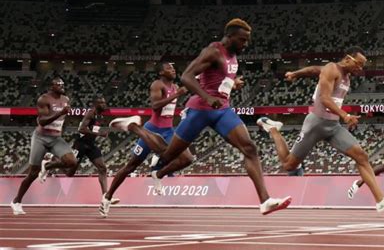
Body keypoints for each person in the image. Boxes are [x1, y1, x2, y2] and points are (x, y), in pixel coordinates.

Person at [107, 18, 291, 216]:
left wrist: (232, 83)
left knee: (250, 148)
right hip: (200, 110)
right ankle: (134, 127)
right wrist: (206, 96)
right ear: (229, 37)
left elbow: (219, 79)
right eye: (242, 40)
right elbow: (186, 76)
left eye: (247, 40)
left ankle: (265, 201)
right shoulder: (213, 51)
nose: (246, 44)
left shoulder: (233, 56)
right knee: (167, 153)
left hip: (222, 111)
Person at [257, 47, 384, 211]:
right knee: (289, 165)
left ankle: (380, 200)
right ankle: (273, 129)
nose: (360, 69)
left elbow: (313, 69)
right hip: (316, 124)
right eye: (359, 64)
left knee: (361, 156)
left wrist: (296, 73)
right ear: (348, 59)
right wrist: (345, 116)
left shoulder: (344, 75)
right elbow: (325, 99)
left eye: (362, 66)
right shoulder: (331, 68)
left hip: (333, 126)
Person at [100, 62, 192, 217]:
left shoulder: (175, 87)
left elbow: (169, 109)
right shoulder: (157, 84)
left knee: (187, 159)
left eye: (174, 67)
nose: (173, 69)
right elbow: (155, 106)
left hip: (168, 130)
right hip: (152, 129)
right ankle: (107, 197)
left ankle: (158, 174)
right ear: (161, 72)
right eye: (169, 68)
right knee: (131, 166)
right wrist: (177, 95)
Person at [11, 78, 77, 215]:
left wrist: (61, 131)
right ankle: (16, 201)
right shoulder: (44, 99)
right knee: (32, 174)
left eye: (63, 84)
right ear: (51, 87)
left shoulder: (66, 99)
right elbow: (42, 121)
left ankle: (47, 166)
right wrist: (60, 113)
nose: (61, 86)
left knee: (72, 161)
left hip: (56, 138)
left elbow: (63, 120)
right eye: (58, 84)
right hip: (41, 138)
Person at [66, 96, 119, 204]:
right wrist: (99, 134)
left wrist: (97, 134)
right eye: (102, 103)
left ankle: (106, 196)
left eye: (105, 103)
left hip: (90, 145)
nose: (104, 105)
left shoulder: (100, 116)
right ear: (96, 104)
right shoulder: (90, 113)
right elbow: (81, 129)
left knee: (103, 168)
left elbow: (93, 129)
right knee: (70, 173)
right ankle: (49, 163)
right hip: (81, 145)